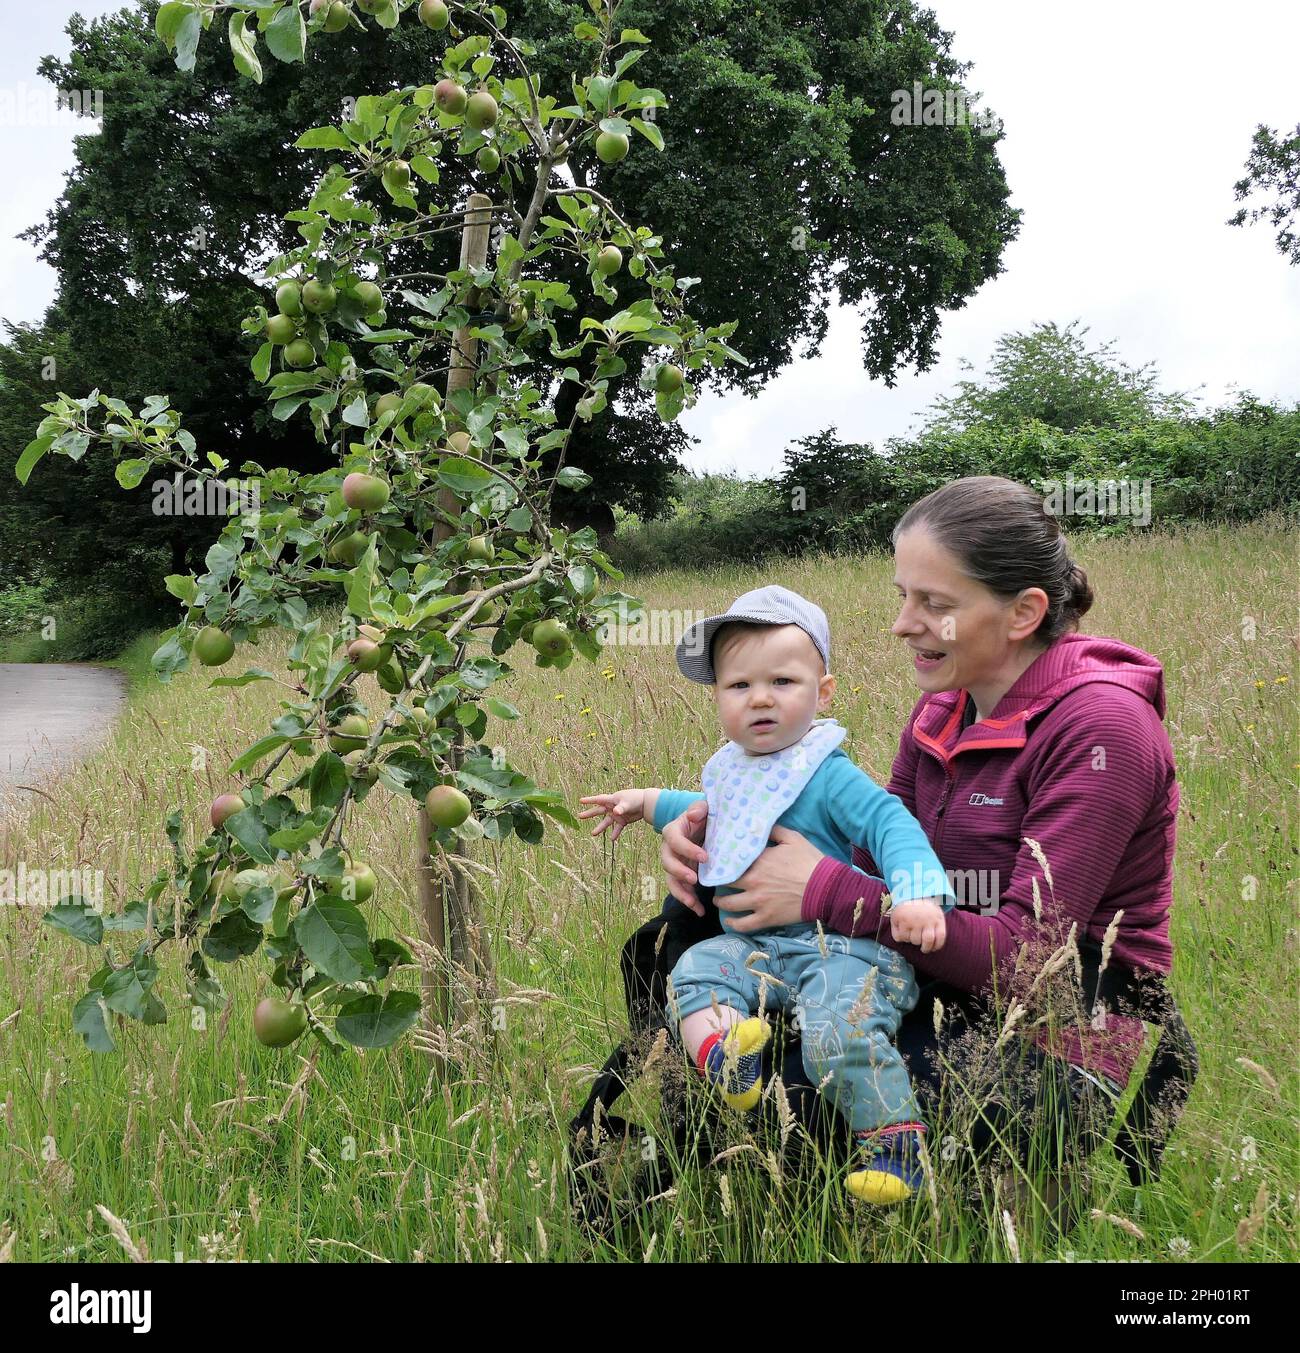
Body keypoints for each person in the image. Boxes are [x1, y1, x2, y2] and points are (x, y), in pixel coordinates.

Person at [654, 478, 1193, 1215]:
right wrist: (715, 838)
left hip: (1070, 1012)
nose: (904, 624)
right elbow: (881, 862)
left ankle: (1034, 1189)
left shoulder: (1103, 729)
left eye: (934, 603)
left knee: (808, 1112)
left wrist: (821, 891)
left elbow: (1032, 965)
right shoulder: (943, 709)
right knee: (682, 945)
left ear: (1024, 612)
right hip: (943, 966)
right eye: (903, 595)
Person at [581, 585, 954, 1204]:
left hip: (841, 951)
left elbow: (891, 825)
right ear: (717, 696)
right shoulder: (732, 768)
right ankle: (731, 1058)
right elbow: (700, 810)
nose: (760, 699)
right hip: (756, 953)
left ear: (822, 692)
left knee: (838, 1031)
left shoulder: (826, 773)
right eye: (738, 686)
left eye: (782, 681)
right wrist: (642, 803)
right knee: (692, 974)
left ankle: (894, 1143)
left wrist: (916, 893)